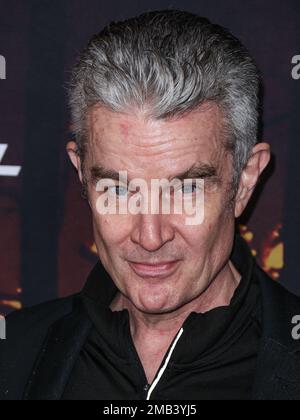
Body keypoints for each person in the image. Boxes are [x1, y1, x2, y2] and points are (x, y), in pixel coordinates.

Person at [1, 9, 300, 401]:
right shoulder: (15, 349)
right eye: (120, 190)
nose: (150, 235)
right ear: (82, 176)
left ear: (244, 182)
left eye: (185, 189)